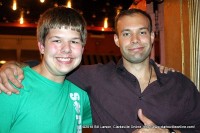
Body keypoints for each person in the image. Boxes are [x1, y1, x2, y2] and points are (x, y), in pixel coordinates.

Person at [1, 9, 199, 133]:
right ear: (116, 40)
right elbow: (48, 68)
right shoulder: (12, 87)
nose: (135, 40)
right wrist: (13, 65)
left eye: (142, 32)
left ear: (152, 36)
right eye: (126, 33)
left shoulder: (180, 84)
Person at [0, 6, 92, 133]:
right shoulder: (11, 86)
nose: (66, 49)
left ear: (82, 49)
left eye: (74, 42)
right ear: (41, 46)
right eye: (57, 40)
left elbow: (109, 122)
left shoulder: (81, 91)